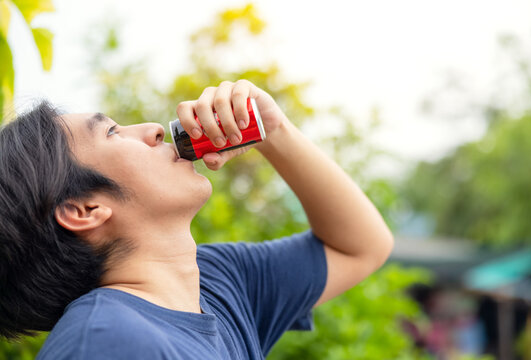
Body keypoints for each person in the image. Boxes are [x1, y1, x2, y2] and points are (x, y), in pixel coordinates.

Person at [0, 80, 394, 359]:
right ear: (84, 210)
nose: (154, 131)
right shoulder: (106, 342)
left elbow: (361, 247)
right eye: (113, 132)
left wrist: (274, 131)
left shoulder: (221, 282)